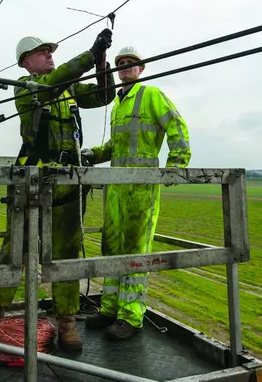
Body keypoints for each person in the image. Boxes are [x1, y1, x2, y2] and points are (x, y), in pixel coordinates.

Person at [0, 28, 116, 351]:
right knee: (15, 252)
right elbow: (54, 84)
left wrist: (102, 64)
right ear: (26, 63)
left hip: (65, 187)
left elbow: (105, 96)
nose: (50, 54)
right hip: (31, 184)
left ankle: (67, 323)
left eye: (51, 50)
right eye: (43, 52)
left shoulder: (68, 90)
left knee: (65, 255)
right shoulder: (27, 88)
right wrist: (89, 56)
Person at [81, 46, 191, 340]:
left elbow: (176, 125)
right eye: (120, 64)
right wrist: (92, 153)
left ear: (140, 69)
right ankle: (110, 309)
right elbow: (114, 148)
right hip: (117, 189)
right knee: (112, 248)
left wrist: (176, 165)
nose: (125, 67)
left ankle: (131, 317)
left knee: (135, 252)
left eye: (131, 64)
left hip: (141, 187)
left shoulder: (150, 95)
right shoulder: (118, 104)